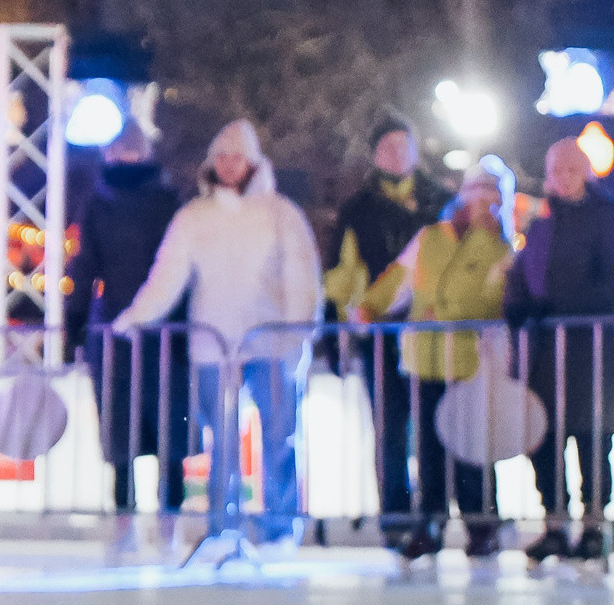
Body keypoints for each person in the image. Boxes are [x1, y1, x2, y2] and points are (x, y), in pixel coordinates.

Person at [113, 120, 323, 542]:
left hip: (271, 342)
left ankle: (280, 525)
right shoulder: (194, 217)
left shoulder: (281, 214)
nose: (229, 166)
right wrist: (137, 316)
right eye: (222, 157)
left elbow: (302, 277)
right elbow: (168, 276)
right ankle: (222, 523)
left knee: (279, 436)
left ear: (253, 161)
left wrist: (301, 332)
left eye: (237, 157)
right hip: (214, 344)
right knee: (221, 441)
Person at [359, 160, 515, 564]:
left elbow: (487, 302)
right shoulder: (430, 238)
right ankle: (429, 521)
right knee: (428, 448)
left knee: (471, 448)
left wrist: (482, 241)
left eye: (491, 193)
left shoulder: (499, 250)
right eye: (476, 190)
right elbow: (400, 280)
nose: (482, 200)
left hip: (469, 363)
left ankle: (481, 525)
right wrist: (369, 308)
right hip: (426, 360)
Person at [505, 138, 614, 570]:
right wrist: (519, 305)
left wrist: (562, 307)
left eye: (569, 170)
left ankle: (594, 523)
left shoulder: (605, 218)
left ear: (585, 173)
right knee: (545, 439)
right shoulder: (541, 222)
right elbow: (523, 272)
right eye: (554, 170)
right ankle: (554, 523)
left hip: (590, 347)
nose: (560, 178)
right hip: (545, 350)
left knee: (592, 439)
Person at [324, 114, 452, 519]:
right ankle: (394, 515)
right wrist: (337, 331)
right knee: (390, 429)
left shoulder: (440, 202)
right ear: (375, 155)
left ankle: (432, 514)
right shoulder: (357, 209)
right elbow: (340, 276)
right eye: (387, 148)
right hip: (378, 335)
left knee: (434, 428)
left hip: (431, 334)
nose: (396, 155)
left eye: (403, 145)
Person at [70, 118, 188, 519]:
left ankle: (131, 512)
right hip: (158, 330)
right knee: (157, 426)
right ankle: (158, 511)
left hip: (129, 328)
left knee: (131, 426)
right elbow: (86, 266)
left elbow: (85, 267)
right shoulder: (167, 200)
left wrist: (77, 323)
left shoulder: (103, 204)